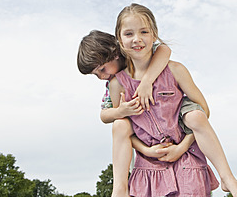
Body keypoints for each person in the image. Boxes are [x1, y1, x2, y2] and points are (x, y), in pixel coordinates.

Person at [108, 3, 237, 196]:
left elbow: (204, 111)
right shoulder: (118, 84)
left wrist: (182, 147)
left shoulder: (176, 70)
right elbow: (124, 134)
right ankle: (119, 191)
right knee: (119, 125)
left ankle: (228, 178)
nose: (137, 39)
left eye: (144, 32)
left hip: (187, 162)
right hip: (149, 172)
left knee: (196, 116)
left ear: (154, 34)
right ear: (119, 38)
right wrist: (147, 151)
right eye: (129, 34)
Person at [78, 30, 199, 196]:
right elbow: (104, 115)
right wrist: (121, 110)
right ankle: (120, 189)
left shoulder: (137, 55)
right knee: (120, 124)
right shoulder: (113, 84)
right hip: (143, 130)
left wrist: (146, 81)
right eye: (96, 74)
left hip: (168, 120)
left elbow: (164, 49)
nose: (101, 76)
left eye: (102, 69)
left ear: (115, 53)